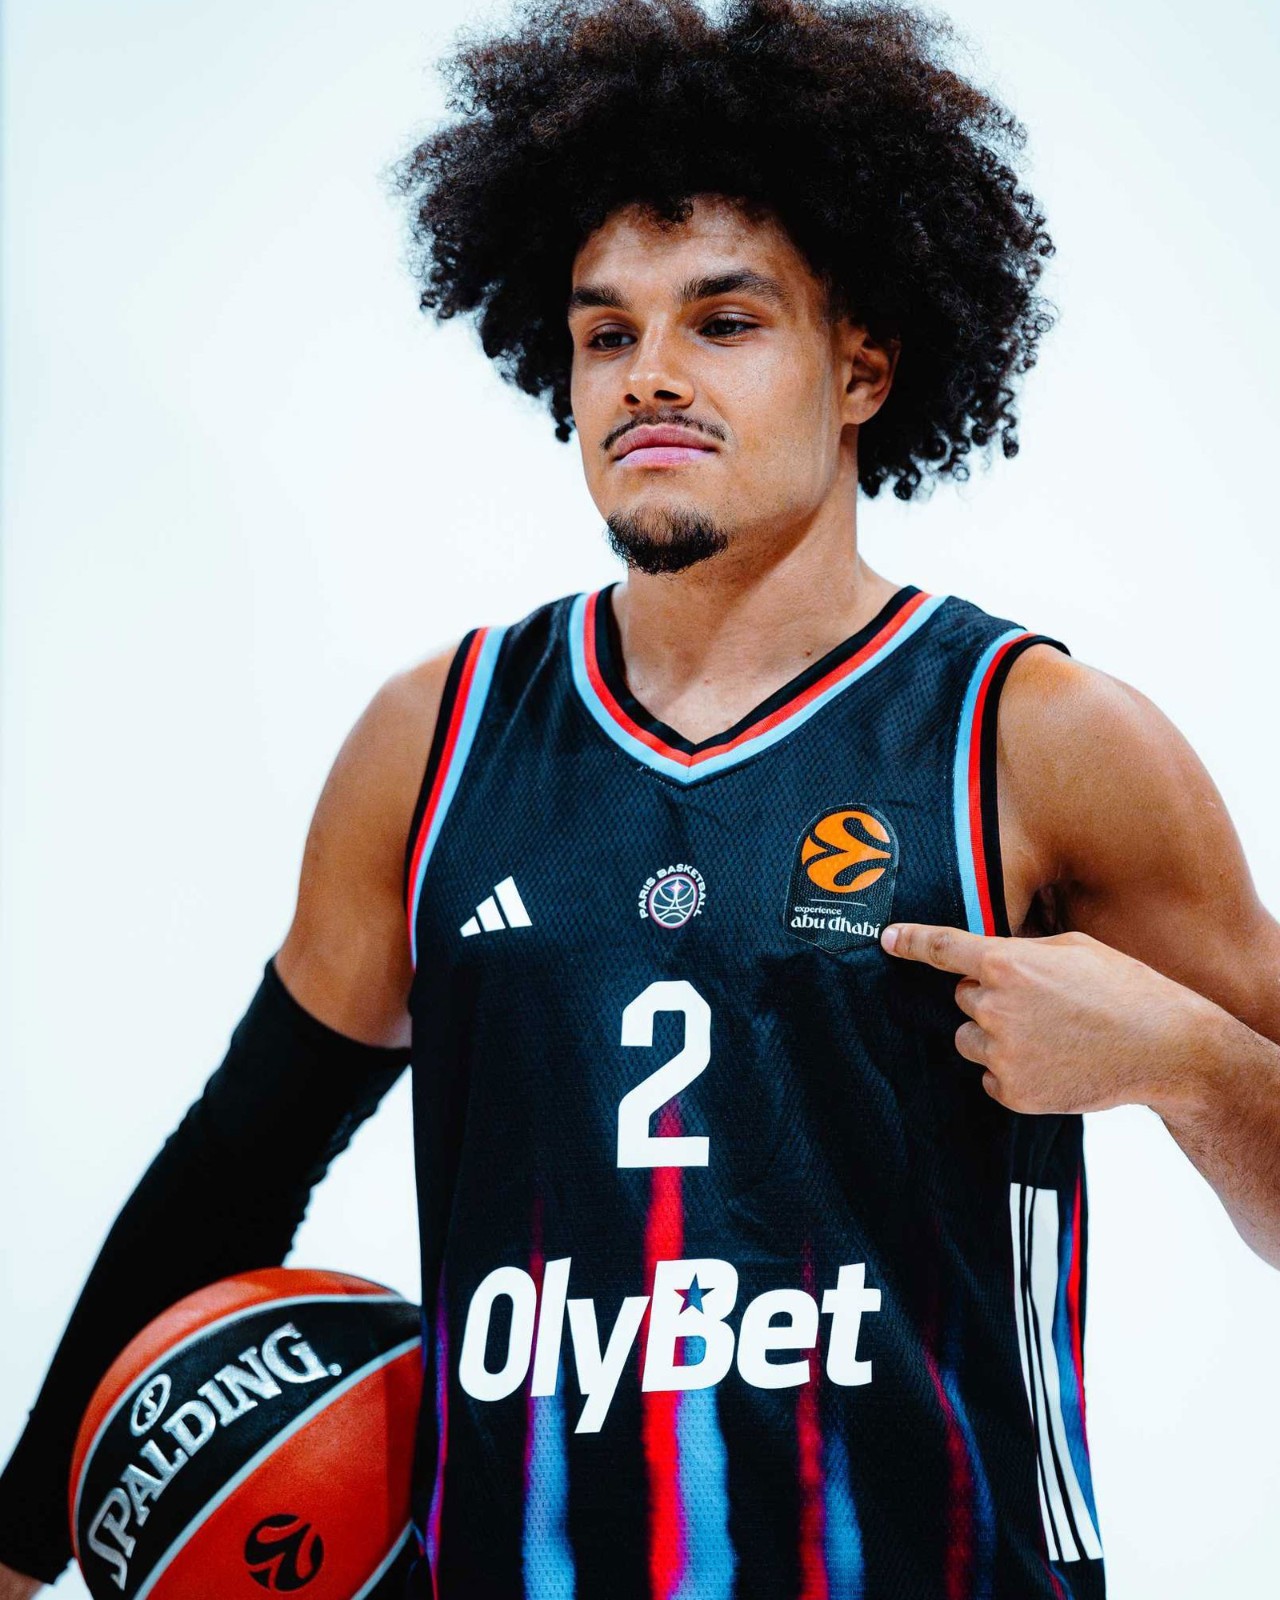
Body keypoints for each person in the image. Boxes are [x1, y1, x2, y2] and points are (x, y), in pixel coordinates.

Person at [3, 0, 1280, 1595]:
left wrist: (1193, 1067)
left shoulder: (1035, 737)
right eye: (607, 335)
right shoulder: (435, 738)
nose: (650, 377)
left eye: (724, 321)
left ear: (864, 366)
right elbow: (239, 1168)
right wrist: (19, 1542)